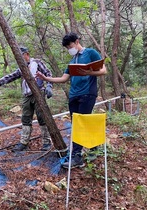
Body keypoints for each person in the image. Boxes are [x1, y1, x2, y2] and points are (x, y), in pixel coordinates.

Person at [36, 32, 107, 168]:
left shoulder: (90, 53)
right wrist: (46, 79)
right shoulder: (72, 61)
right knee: (77, 124)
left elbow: (103, 70)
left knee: (80, 124)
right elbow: (63, 79)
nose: (69, 49)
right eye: (67, 47)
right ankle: (90, 148)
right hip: (73, 95)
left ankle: (77, 156)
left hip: (87, 94)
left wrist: (90, 72)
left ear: (77, 41)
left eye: (70, 45)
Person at [0, 47, 53, 151]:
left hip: (38, 93)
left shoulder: (37, 62)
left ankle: (46, 142)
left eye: (21, 56)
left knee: (42, 118)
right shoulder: (22, 68)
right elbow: (10, 77)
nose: (19, 59)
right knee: (25, 119)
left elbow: (48, 74)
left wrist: (49, 86)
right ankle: (24, 142)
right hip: (26, 96)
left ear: (26, 54)